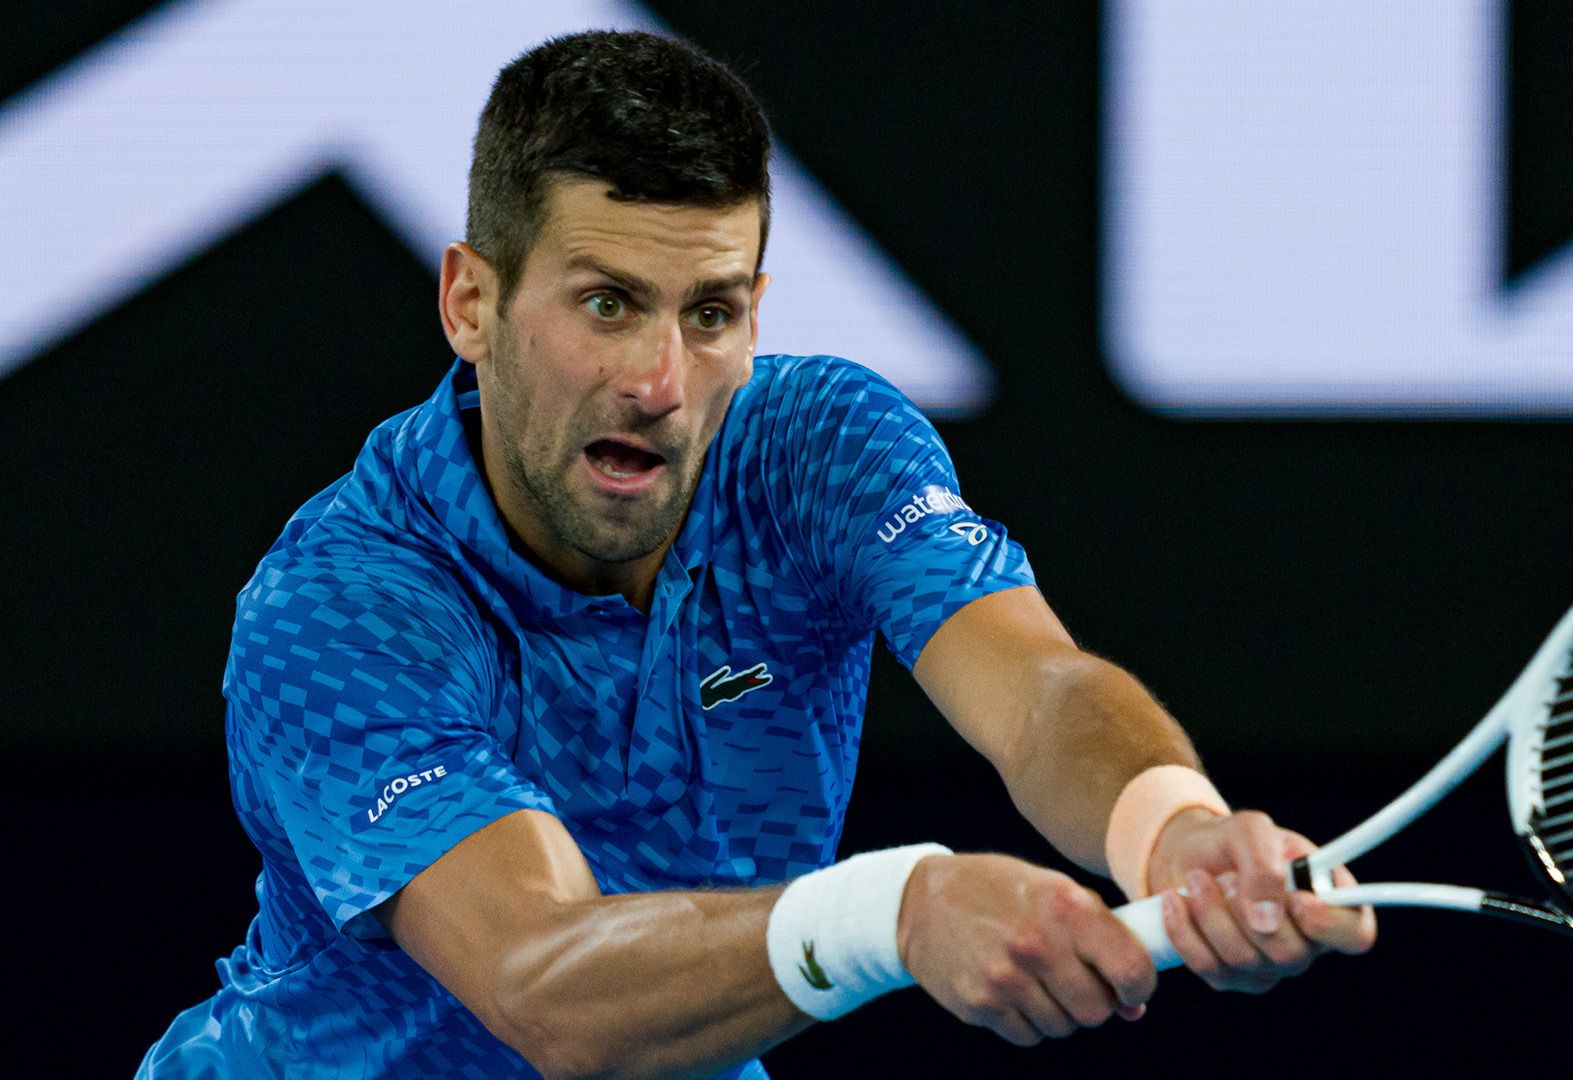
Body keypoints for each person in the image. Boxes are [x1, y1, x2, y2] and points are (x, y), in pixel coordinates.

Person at [136, 29, 1375, 1080]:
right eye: (606, 302)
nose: (660, 384)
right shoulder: (343, 605)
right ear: (472, 302)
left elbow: (1040, 693)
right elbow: (542, 982)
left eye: (711, 312)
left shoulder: (820, 451)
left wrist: (1174, 829)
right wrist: (898, 909)